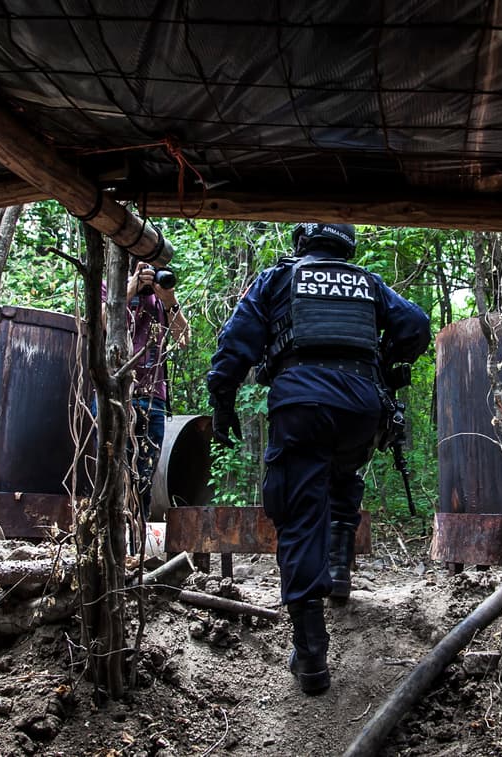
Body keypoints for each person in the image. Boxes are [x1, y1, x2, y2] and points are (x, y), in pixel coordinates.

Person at [207, 223, 431, 695]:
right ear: (347, 247)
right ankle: (339, 571)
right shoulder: (368, 283)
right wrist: (383, 364)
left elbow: (236, 343)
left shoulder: (277, 279)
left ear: (303, 243)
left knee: (300, 512)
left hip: (301, 403)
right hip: (361, 406)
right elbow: (416, 325)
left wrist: (223, 403)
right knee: (343, 471)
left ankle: (311, 654)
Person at [126, 261, 189, 517]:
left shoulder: (161, 300)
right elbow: (104, 324)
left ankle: (136, 545)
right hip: (118, 397)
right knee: (115, 471)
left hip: (153, 400)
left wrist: (170, 300)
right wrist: (131, 289)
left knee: (145, 478)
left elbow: (184, 338)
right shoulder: (110, 288)